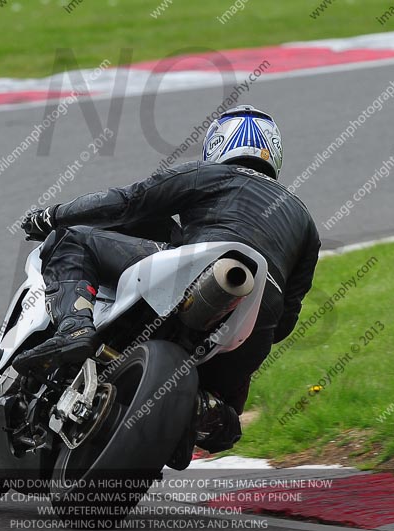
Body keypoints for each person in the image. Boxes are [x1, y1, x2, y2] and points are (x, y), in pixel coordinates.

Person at [19, 105, 320, 464]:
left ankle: (74, 327)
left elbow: (126, 203)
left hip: (196, 269)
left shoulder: (209, 174)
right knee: (224, 413)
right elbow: (286, 322)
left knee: (73, 240)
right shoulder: (305, 221)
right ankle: (205, 410)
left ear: (218, 145)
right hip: (257, 319)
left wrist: (53, 215)